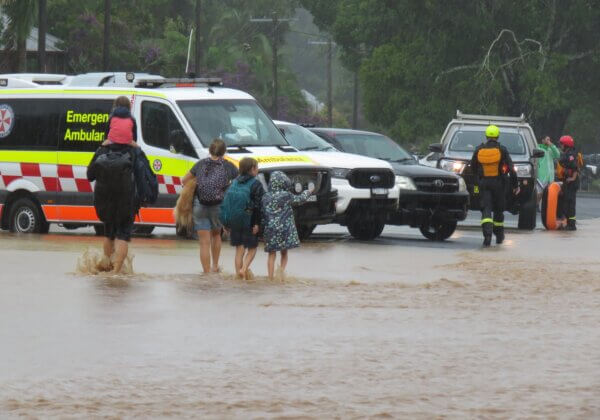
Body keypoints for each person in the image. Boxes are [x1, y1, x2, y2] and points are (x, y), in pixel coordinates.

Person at [87, 96, 146, 273]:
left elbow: (90, 175)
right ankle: (117, 272)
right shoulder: (134, 153)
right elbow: (144, 177)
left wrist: (101, 147)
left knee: (109, 233)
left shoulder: (102, 150)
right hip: (126, 199)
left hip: (106, 199)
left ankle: (106, 266)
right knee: (123, 234)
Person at [182, 139, 238, 274]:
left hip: (199, 205)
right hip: (218, 206)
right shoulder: (228, 166)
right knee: (216, 236)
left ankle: (206, 273)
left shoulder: (200, 164)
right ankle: (215, 266)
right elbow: (238, 182)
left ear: (209, 150)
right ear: (224, 152)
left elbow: (184, 180)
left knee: (204, 243)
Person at [470, 125, 519, 247]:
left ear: (486, 136)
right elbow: (512, 169)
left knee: (486, 209)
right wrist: (515, 185)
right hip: (499, 184)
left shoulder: (478, 149)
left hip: (484, 184)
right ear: (497, 136)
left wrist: (478, 181)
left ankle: (487, 236)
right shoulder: (502, 150)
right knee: (499, 209)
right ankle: (499, 236)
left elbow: (473, 167)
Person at [261, 171, 314, 280]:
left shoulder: (265, 196)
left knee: (271, 254)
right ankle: (280, 274)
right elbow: (300, 200)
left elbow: (262, 213)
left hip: (270, 229)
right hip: (284, 229)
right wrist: (307, 192)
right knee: (284, 253)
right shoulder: (286, 195)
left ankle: (270, 278)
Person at [220, 157, 264, 279]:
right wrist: (257, 224)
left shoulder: (233, 182)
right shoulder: (256, 184)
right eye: (256, 167)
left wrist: (225, 222)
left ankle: (238, 278)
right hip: (248, 221)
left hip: (233, 220)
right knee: (252, 248)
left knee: (239, 250)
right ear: (252, 169)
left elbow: (226, 204)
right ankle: (244, 269)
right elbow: (258, 206)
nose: (258, 169)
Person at [556, 135, 580, 231]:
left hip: (571, 182)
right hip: (567, 181)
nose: (560, 146)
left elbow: (575, 167)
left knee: (570, 204)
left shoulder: (571, 155)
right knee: (566, 202)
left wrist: (572, 178)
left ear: (566, 145)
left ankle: (572, 225)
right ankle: (567, 223)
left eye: (561, 144)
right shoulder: (567, 153)